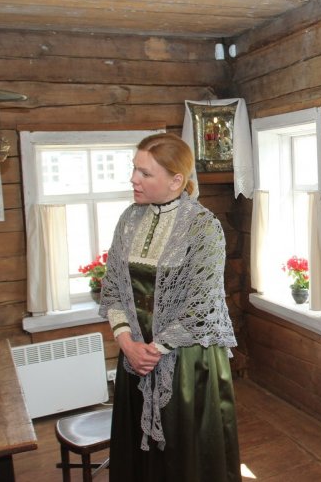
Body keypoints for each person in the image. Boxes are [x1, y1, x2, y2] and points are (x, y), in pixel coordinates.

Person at [99, 132, 241, 481]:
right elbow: (114, 287)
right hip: (134, 355)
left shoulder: (203, 228)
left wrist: (154, 350)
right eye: (134, 169)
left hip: (186, 361)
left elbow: (201, 304)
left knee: (182, 454)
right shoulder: (129, 219)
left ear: (176, 180)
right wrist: (127, 344)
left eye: (145, 173)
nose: (133, 179)